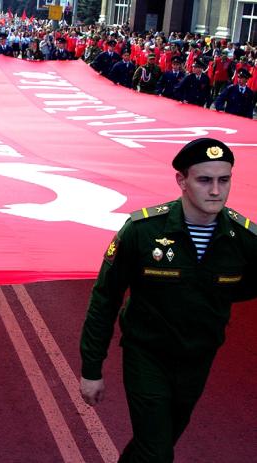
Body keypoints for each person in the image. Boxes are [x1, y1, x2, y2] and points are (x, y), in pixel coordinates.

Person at [80, 137, 256, 463]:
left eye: (224, 180)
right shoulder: (142, 231)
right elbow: (105, 298)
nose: (216, 191)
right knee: (158, 452)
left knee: (157, 441)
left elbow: (246, 287)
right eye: (204, 180)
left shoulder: (244, 239)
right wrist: (92, 368)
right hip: (147, 354)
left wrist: (211, 300)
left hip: (198, 358)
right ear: (182, 181)